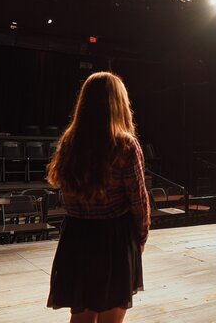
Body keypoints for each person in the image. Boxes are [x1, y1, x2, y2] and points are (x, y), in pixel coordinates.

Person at [46, 71, 151, 323]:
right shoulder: (125, 145)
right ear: (119, 103)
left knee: (81, 318)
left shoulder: (69, 142)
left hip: (77, 237)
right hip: (113, 239)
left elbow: (65, 192)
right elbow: (138, 201)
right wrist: (141, 237)